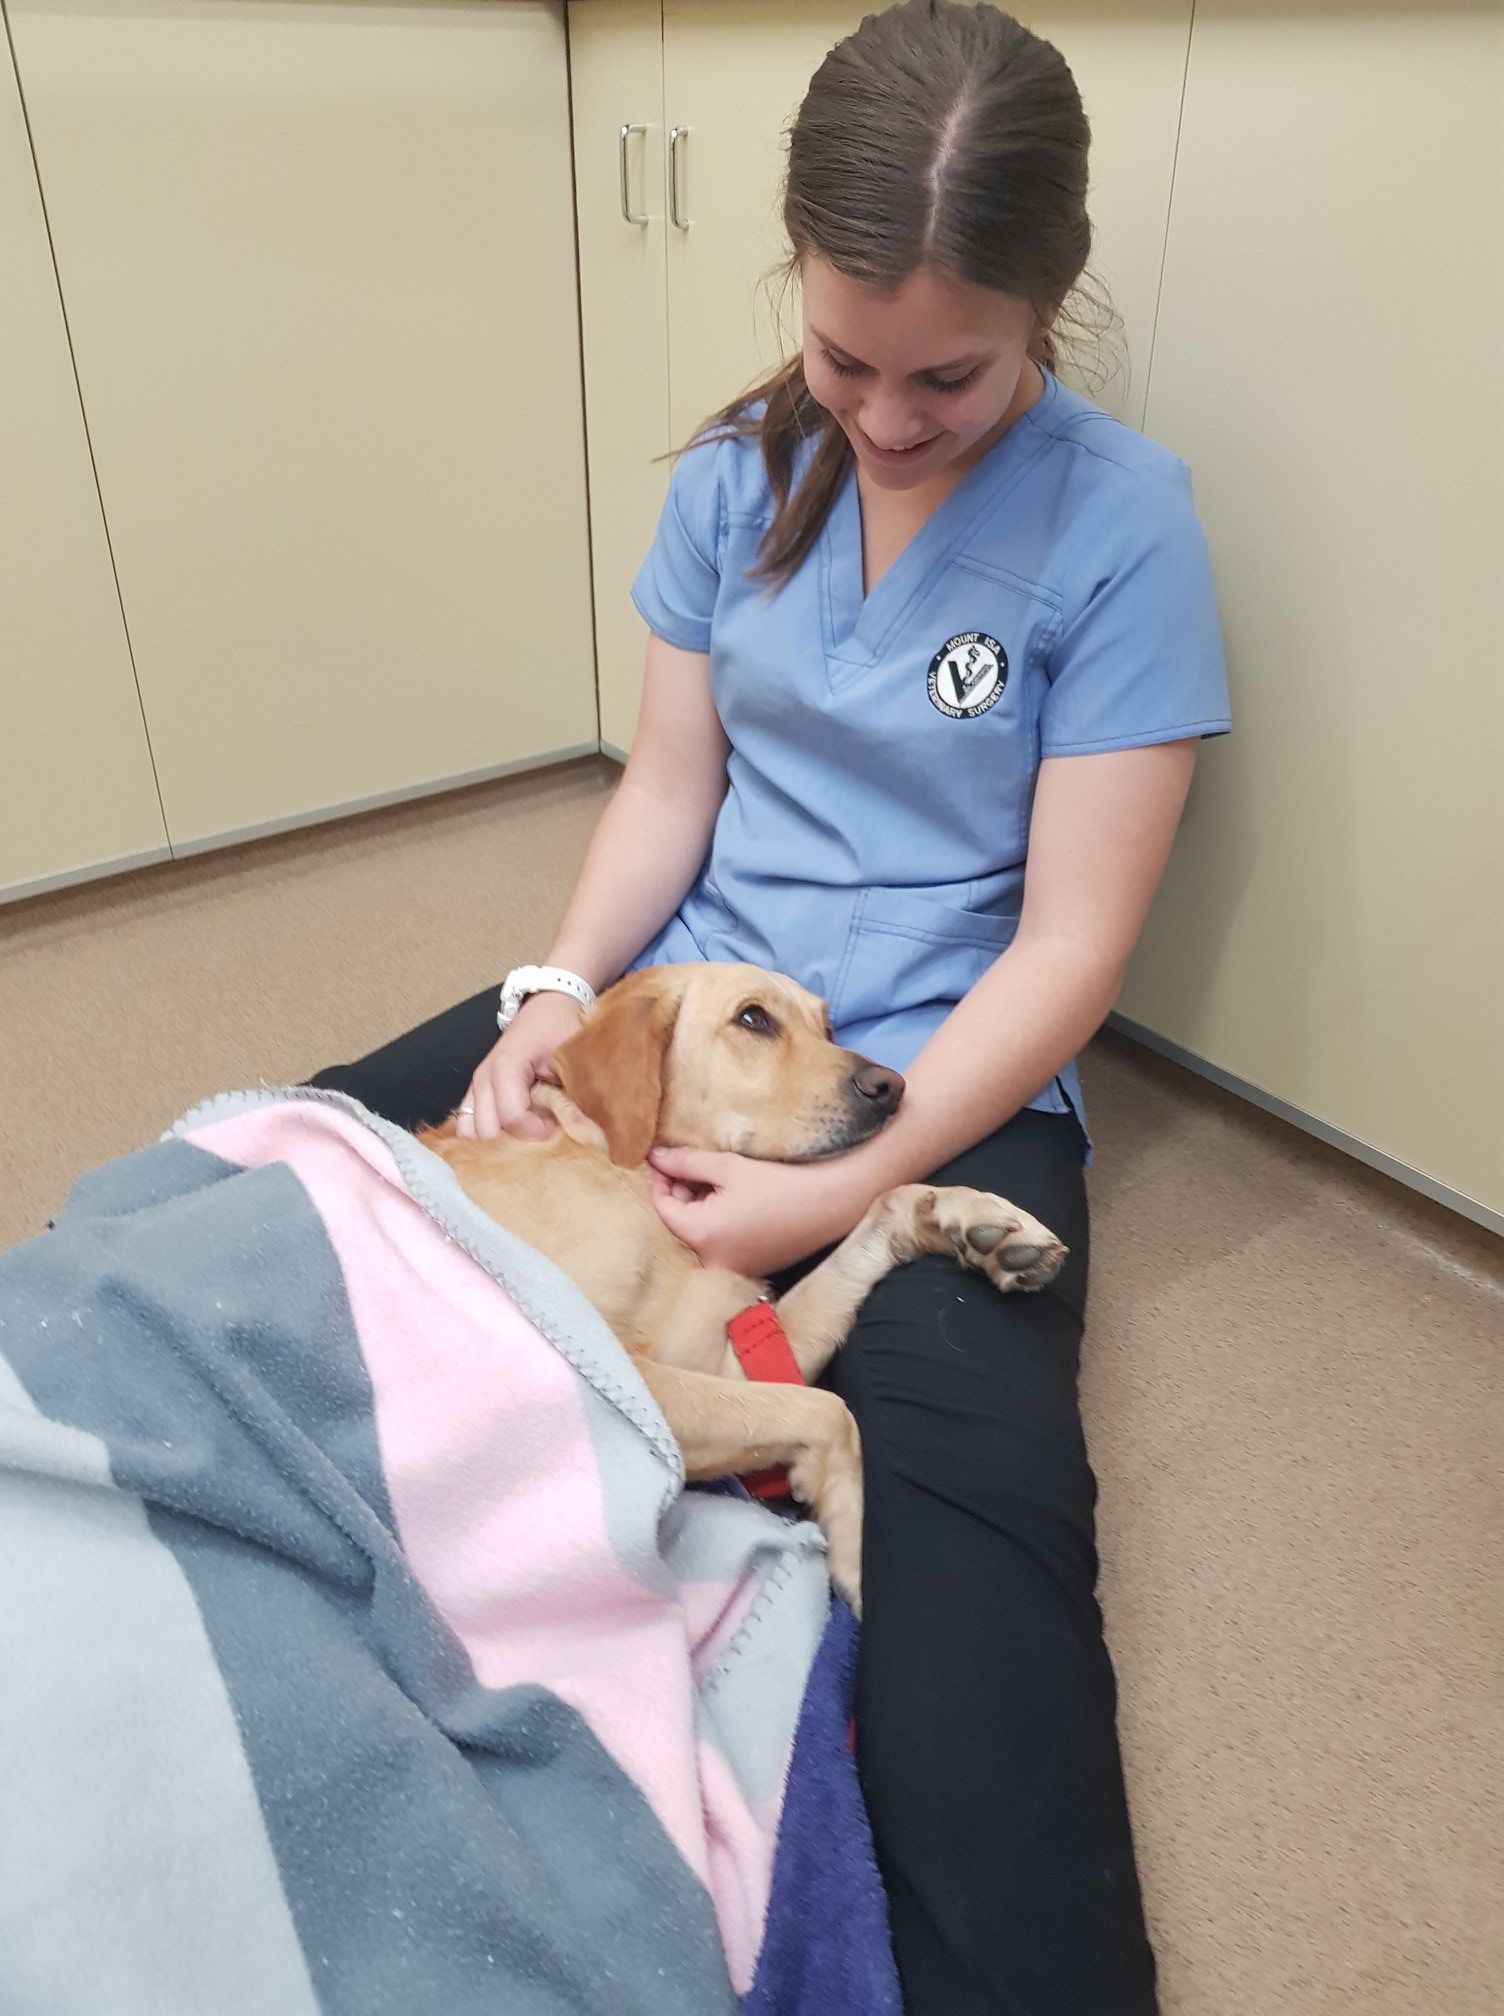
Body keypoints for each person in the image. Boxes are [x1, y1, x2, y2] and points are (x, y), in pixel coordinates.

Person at [309, 4, 1230, 2008]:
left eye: (944, 378)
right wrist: (558, 999)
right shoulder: (740, 474)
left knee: (970, 1513)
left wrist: (846, 1185)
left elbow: (1068, 954)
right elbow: (667, 786)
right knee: (308, 1167)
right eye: (839, 361)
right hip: (681, 1006)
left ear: (1046, 304)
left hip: (934, 1062)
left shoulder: (1125, 525)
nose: (881, 422)